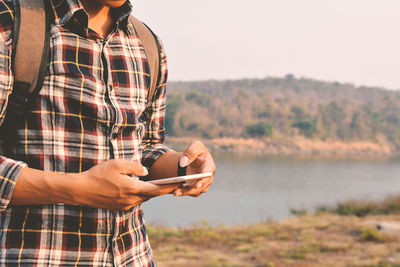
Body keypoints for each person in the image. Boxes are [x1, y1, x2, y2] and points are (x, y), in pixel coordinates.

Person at [0, 0, 215, 265]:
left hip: (133, 257)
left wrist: (183, 169)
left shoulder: (147, 43)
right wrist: (78, 189)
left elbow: (144, 148)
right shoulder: (10, 22)